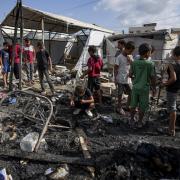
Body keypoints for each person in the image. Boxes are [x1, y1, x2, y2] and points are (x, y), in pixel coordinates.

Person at [130, 43, 156, 128]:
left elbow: (130, 75)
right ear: (147, 52)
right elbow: (152, 77)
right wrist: (154, 88)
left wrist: (136, 78)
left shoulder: (134, 62)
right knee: (142, 106)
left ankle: (131, 120)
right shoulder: (150, 64)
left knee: (133, 105)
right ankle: (140, 122)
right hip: (144, 89)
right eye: (150, 52)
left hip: (135, 87)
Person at [114, 41, 135, 115]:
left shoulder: (130, 56)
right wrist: (115, 78)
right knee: (120, 94)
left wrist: (131, 60)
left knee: (131, 92)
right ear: (126, 48)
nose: (131, 52)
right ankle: (119, 107)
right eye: (130, 51)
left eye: (132, 51)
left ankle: (127, 106)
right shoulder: (119, 57)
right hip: (120, 79)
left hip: (128, 79)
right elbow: (115, 68)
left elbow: (133, 66)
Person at [163, 46, 180, 136]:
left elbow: (173, 78)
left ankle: (171, 130)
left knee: (172, 109)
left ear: (174, 55)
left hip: (172, 89)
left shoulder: (171, 65)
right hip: (177, 88)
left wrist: (165, 84)